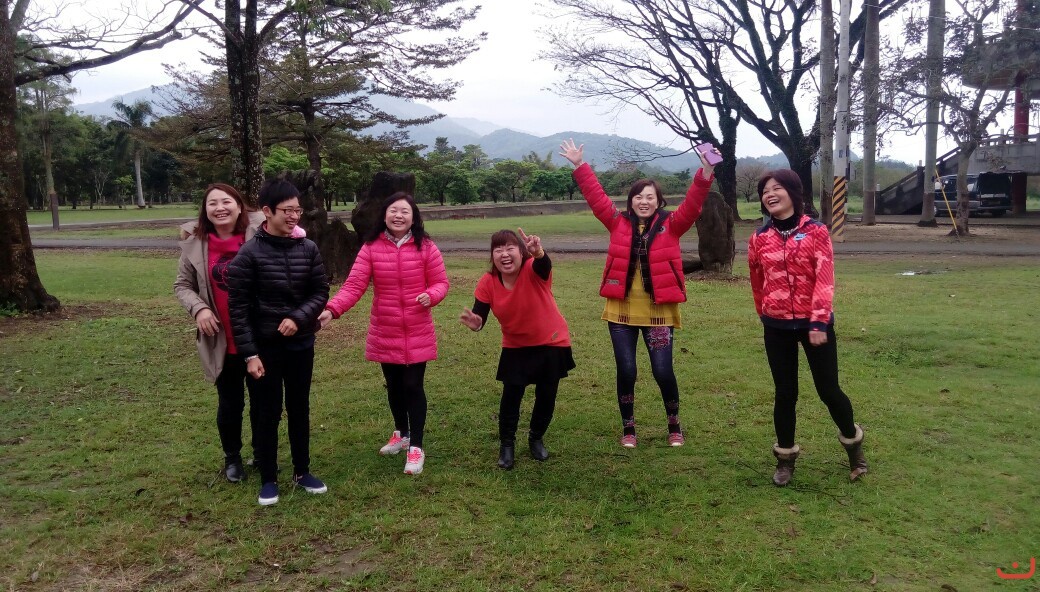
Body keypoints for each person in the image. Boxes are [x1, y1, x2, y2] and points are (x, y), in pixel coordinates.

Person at [558, 138, 718, 448]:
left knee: (662, 370)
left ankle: (674, 424)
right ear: (630, 201)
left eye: (650, 197)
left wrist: (706, 171)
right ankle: (628, 428)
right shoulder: (617, 223)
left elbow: (694, 202)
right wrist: (579, 165)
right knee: (627, 370)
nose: (643, 202)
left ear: (659, 202)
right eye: (638, 197)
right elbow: (596, 197)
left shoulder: (672, 225)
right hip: (621, 312)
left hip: (659, 312)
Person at [747, 169, 869, 487]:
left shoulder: (816, 231)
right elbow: (757, 280)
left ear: (792, 192)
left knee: (828, 390)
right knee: (785, 393)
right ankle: (785, 459)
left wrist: (818, 321)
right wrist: (765, 314)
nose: (770, 194)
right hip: (776, 327)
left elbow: (824, 278)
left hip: (815, 325)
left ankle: (854, 448)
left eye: (776, 188)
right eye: (765, 191)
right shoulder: (759, 237)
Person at [318, 192, 449, 476]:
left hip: (416, 329)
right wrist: (332, 309)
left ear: (414, 217)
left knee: (413, 386)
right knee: (394, 386)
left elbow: (441, 282)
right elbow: (354, 285)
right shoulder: (371, 247)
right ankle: (401, 434)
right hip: (385, 329)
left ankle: (416, 446)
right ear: (385, 215)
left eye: (405, 211)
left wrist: (431, 295)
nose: (398, 216)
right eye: (393, 210)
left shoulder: (426, 246)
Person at [227, 179, 330, 506]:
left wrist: (298, 318)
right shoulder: (249, 254)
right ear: (267, 212)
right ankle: (269, 478)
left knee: (299, 407)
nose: (294, 216)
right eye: (287, 210)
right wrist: (250, 354)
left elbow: (320, 291)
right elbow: (238, 309)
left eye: (298, 210)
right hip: (265, 349)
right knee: (267, 411)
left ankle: (302, 471)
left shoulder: (308, 248)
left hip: (301, 345)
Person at [459, 229, 575, 470]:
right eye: (498, 250)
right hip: (516, 345)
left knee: (546, 395)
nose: (504, 254)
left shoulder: (533, 269)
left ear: (521, 253)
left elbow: (544, 265)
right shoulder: (488, 281)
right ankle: (507, 445)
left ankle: (536, 438)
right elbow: (479, 316)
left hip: (551, 341)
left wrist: (539, 252)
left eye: (510, 248)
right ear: (492, 256)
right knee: (511, 395)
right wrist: (476, 323)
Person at [174, 183, 262, 483]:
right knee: (230, 402)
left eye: (226, 201)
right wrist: (199, 309)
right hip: (221, 338)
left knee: (264, 400)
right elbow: (182, 285)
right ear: (205, 210)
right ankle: (232, 458)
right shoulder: (195, 244)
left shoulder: (259, 234)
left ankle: (262, 452)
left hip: (258, 334)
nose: (220, 208)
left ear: (239, 206)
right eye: (212, 203)